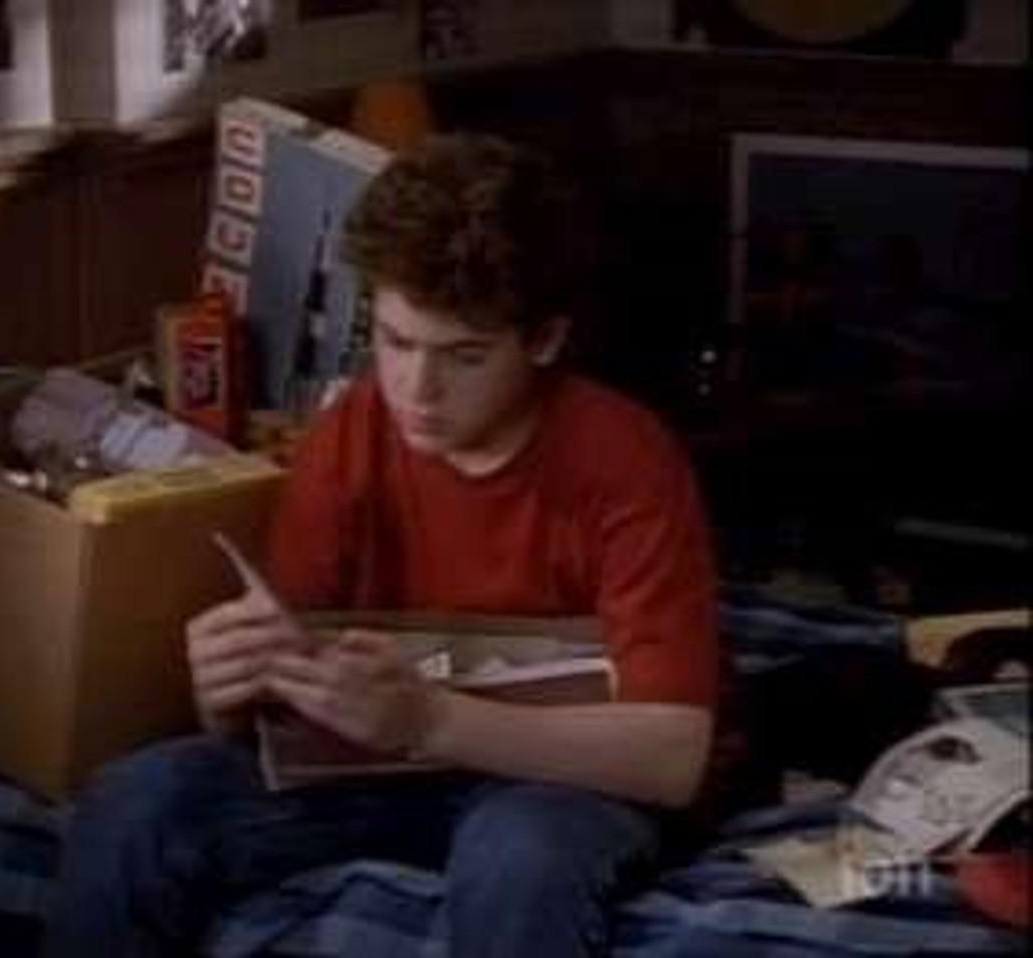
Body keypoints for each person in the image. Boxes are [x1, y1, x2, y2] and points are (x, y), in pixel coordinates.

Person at [43, 133, 723, 957]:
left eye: (464, 357)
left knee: (519, 857)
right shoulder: (351, 432)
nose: (416, 391)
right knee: (134, 799)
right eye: (396, 343)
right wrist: (225, 691)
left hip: (553, 782)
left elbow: (673, 756)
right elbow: (281, 721)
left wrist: (432, 720)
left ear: (544, 340)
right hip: (375, 776)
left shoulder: (626, 458)